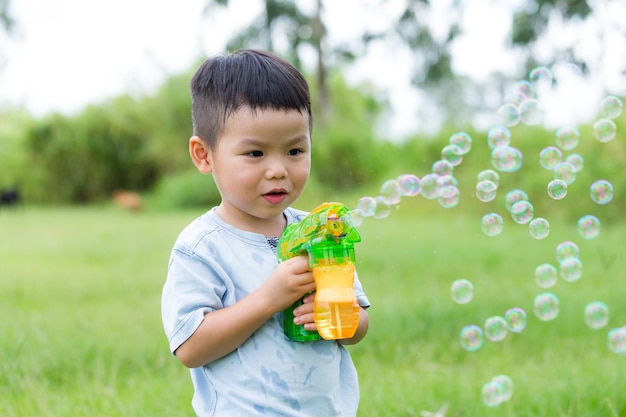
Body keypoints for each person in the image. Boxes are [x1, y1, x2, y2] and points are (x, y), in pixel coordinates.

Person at [161, 49, 371, 417]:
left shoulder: (320, 233)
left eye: (294, 150)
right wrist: (268, 299)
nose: (278, 170)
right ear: (203, 155)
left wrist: (341, 316)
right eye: (255, 153)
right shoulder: (202, 248)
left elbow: (358, 325)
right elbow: (190, 346)